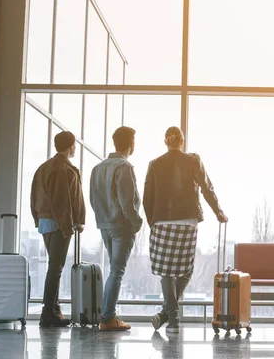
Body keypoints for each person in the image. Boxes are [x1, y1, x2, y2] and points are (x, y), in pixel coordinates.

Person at [144, 126, 228, 333]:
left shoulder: (154, 164)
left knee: (166, 271)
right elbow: (207, 188)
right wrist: (218, 212)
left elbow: (147, 197)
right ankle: (169, 314)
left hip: (161, 221)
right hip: (187, 220)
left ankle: (171, 317)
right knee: (186, 268)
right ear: (182, 141)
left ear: (166, 142)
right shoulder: (193, 160)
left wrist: (152, 222)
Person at [90, 126, 143, 331]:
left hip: (105, 224)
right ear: (131, 143)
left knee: (114, 270)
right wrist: (136, 223)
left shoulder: (98, 168)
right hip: (122, 226)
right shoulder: (125, 167)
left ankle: (108, 314)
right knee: (117, 271)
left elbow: (93, 199)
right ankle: (108, 317)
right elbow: (126, 202)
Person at [31, 131, 85, 327]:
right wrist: (70, 224)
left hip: (45, 221)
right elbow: (63, 200)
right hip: (58, 222)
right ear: (70, 146)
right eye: (74, 145)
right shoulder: (64, 169)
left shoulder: (43, 168)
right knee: (56, 267)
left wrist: (37, 216)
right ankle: (48, 313)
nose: (75, 148)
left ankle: (54, 310)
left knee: (54, 266)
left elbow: (34, 196)